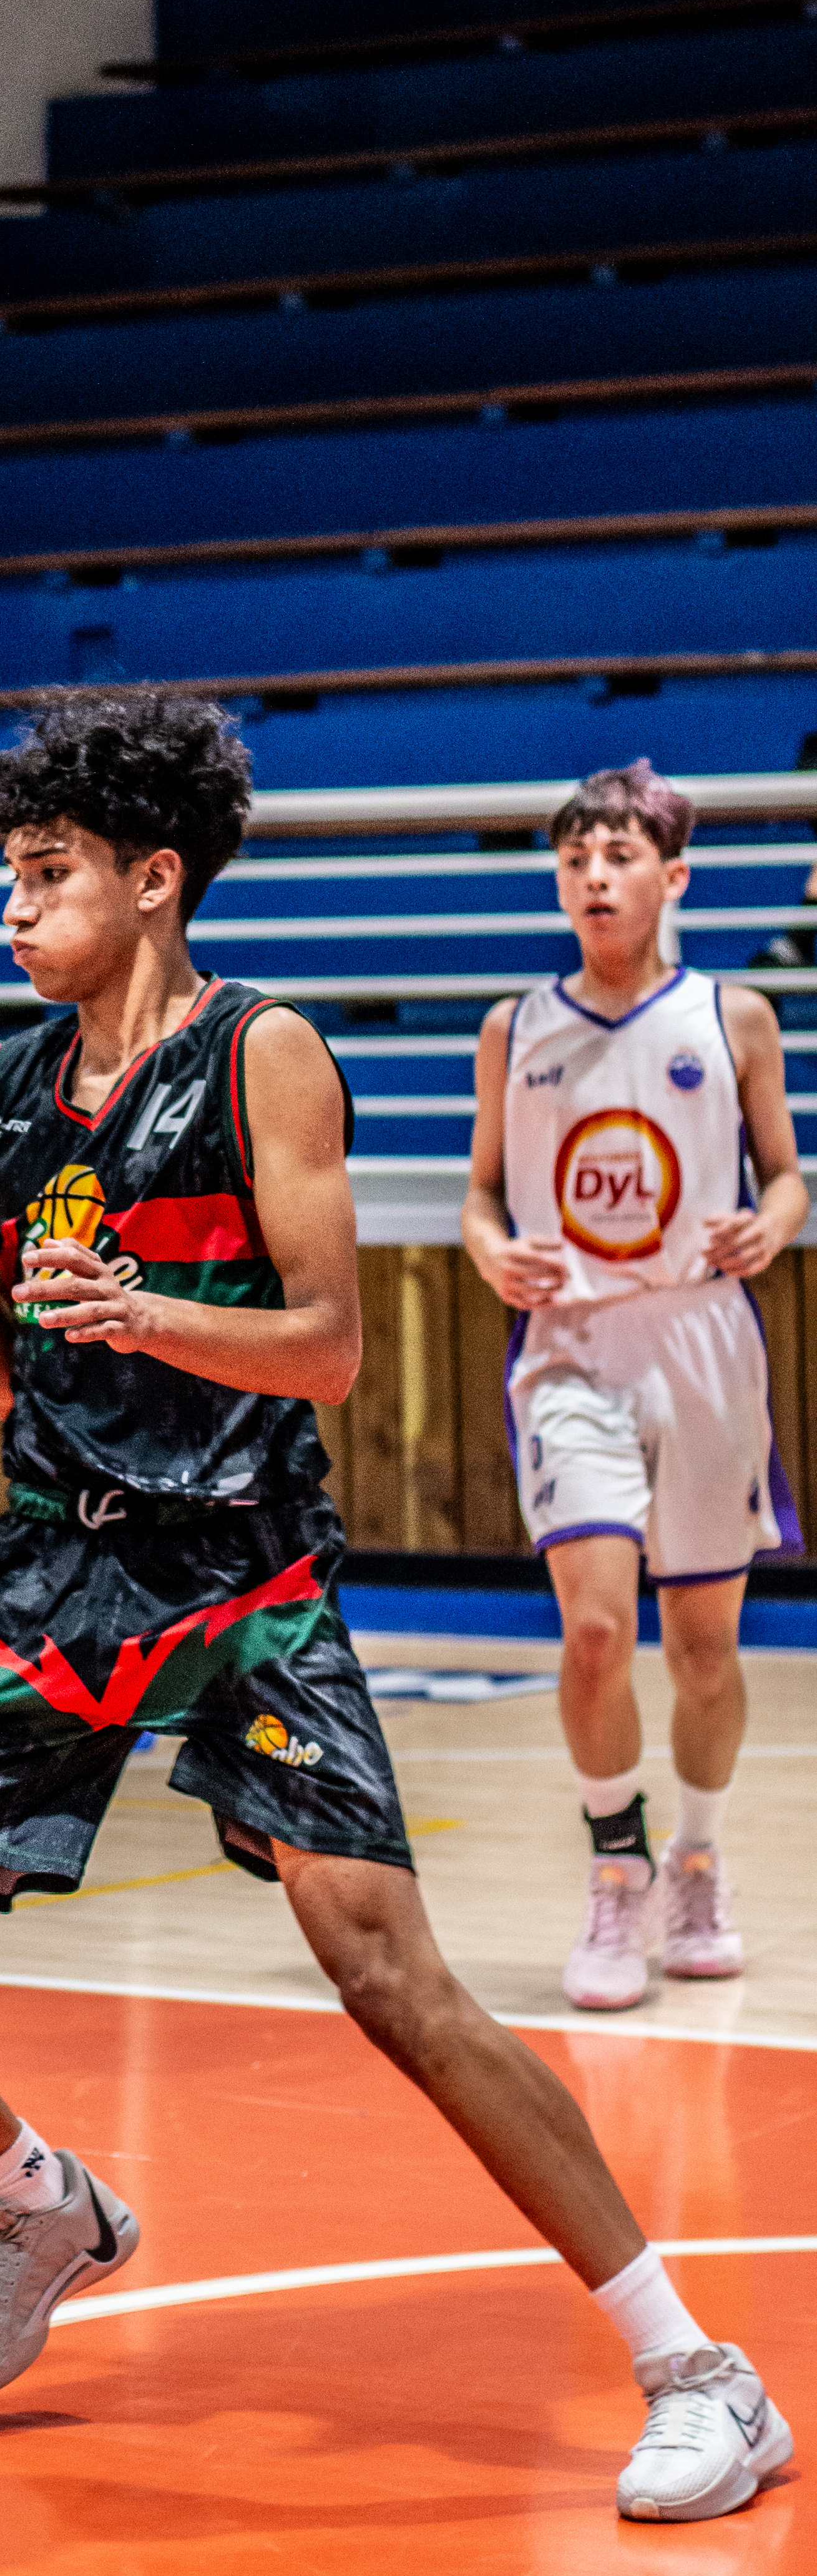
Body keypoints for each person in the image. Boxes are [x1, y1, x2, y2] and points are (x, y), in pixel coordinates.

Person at [0, 692, 790, 2527]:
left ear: (152, 881)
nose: (13, 902)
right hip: (50, 1564)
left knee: (388, 1974)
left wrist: (146, 1315)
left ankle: (694, 2365)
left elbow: (327, 1349)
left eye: (47, 870)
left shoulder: (263, 1053)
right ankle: (32, 2200)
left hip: (241, 1573)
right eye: (7, 871)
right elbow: (18, 1394)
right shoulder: (6, 1092)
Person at [462, 762, 806, 2012]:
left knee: (706, 1645)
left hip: (706, 1343)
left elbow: (785, 1174)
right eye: (575, 860)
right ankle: (616, 1872)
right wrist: (494, 1249)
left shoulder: (737, 1017)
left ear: (673, 877)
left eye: (617, 857)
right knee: (600, 1628)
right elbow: (482, 1193)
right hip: (573, 1347)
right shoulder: (516, 1025)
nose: (593, 877)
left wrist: (773, 1222)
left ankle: (698, 1863)